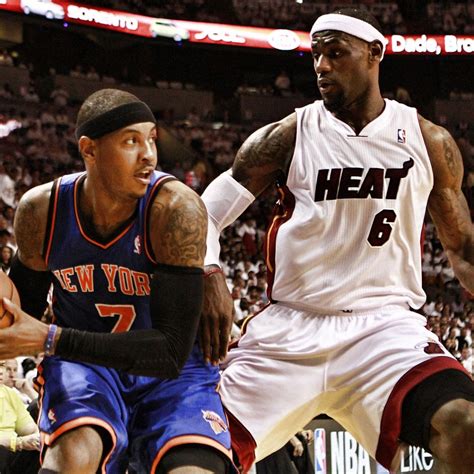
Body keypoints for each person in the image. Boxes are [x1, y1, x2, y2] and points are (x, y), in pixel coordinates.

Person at [200, 8, 474, 474]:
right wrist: (208, 272)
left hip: (384, 331)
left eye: (335, 53)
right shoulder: (289, 135)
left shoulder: (428, 141)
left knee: (465, 426)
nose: (321, 66)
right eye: (316, 55)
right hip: (291, 330)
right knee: (195, 451)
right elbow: (204, 212)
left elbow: (463, 249)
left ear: (374, 53)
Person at [1, 89, 234, 473]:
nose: (149, 155)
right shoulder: (42, 211)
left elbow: (170, 352)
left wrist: (52, 339)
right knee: (75, 453)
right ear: (89, 149)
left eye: (151, 140)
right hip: (85, 367)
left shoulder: (175, 208)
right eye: (131, 141)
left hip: (171, 375)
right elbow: (20, 313)